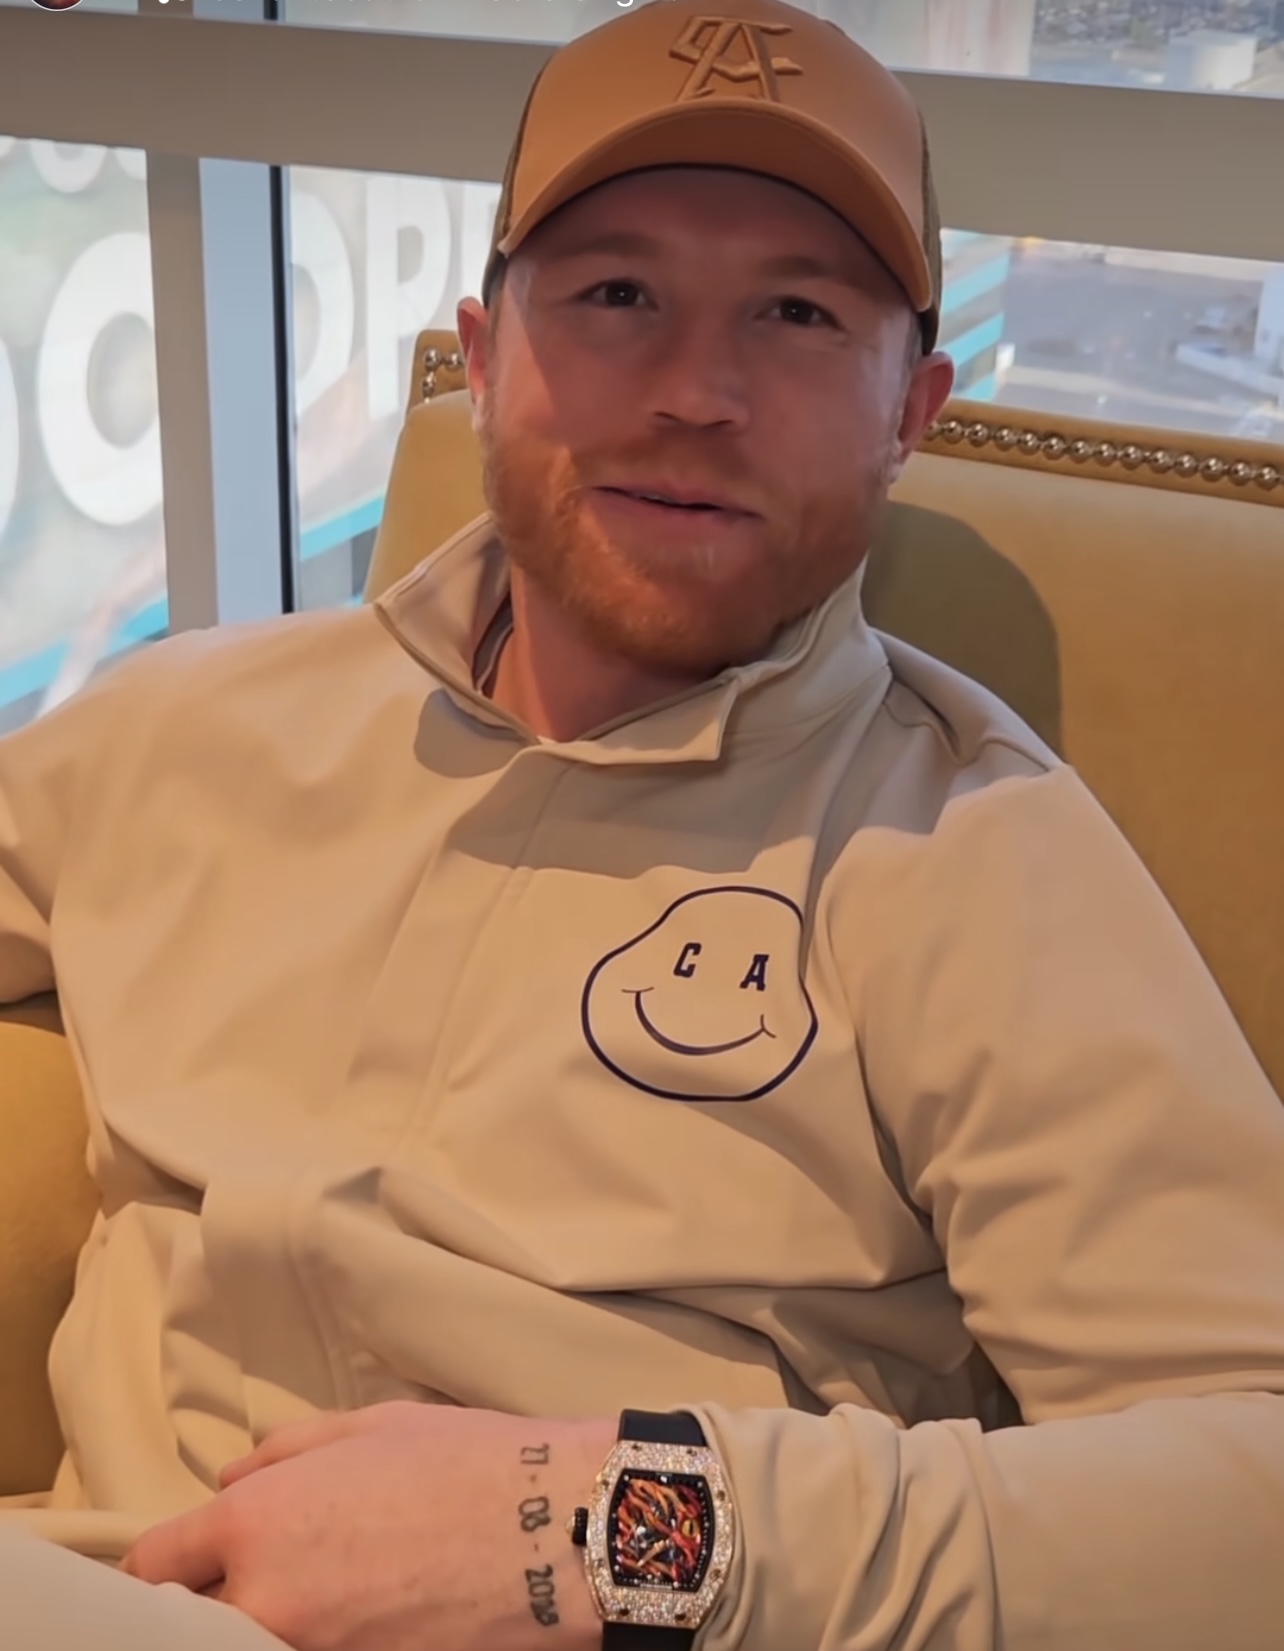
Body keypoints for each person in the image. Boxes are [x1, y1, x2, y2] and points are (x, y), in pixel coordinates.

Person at [2, 1, 1283, 1647]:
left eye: (798, 313)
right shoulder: (189, 726)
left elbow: (1252, 1491)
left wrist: (606, 1529)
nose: (697, 391)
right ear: (484, 356)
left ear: (914, 409)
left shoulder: (970, 854)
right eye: (618, 294)